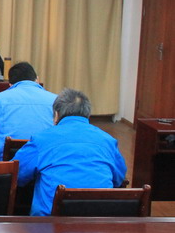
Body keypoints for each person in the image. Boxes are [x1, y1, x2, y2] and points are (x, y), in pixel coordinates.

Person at [16, 88, 127, 216]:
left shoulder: (41, 139)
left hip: (50, 223)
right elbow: (119, 179)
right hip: (99, 221)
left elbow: (17, 175)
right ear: (88, 114)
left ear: (56, 115)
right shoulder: (108, 140)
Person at [0, 62, 58, 160]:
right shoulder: (55, 100)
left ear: (10, 85)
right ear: (37, 80)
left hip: (5, 166)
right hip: (45, 163)